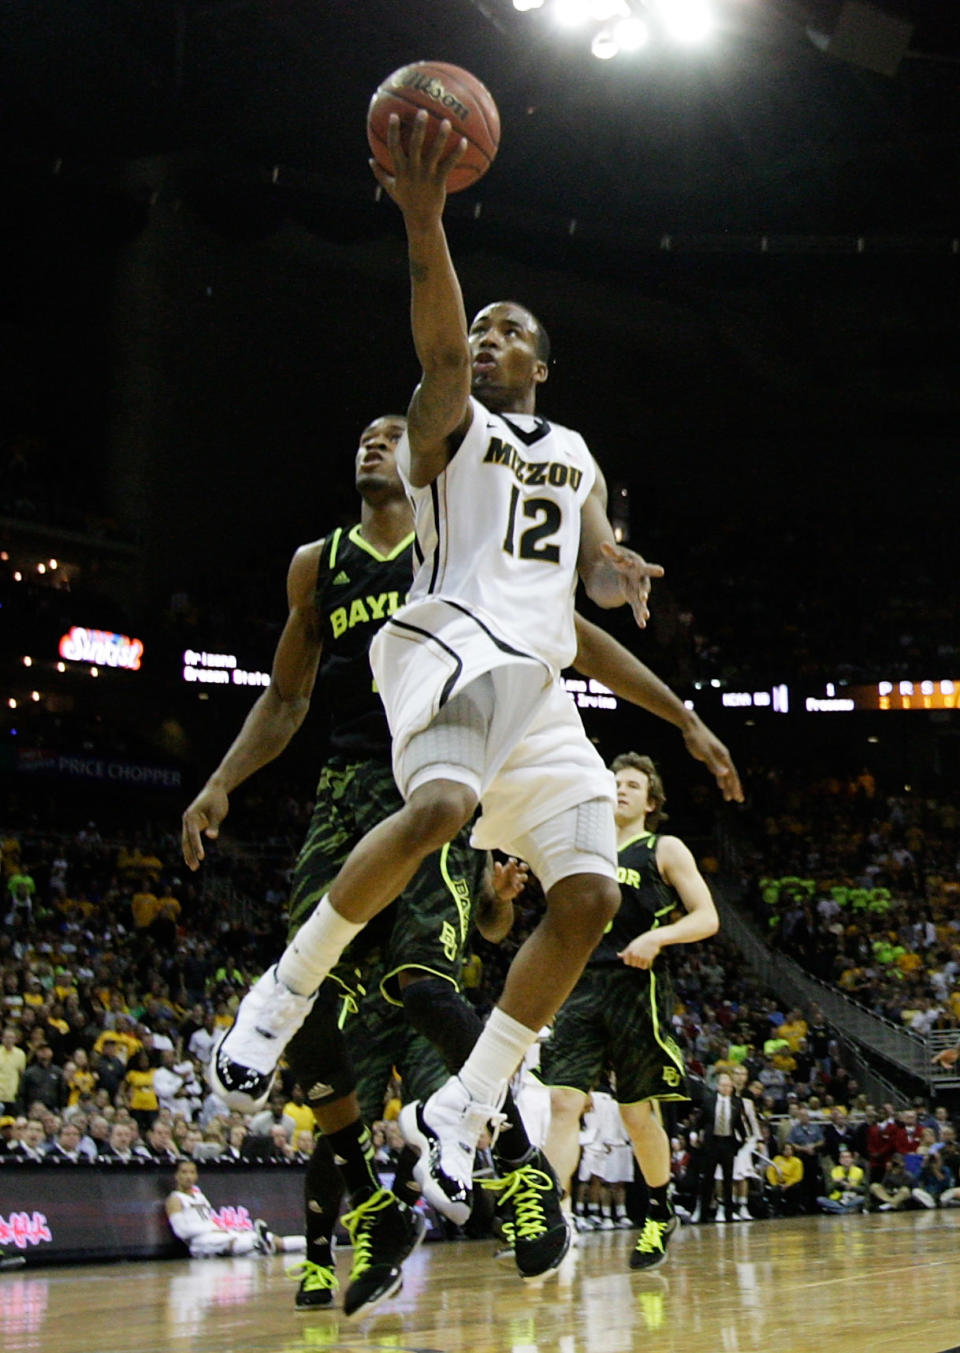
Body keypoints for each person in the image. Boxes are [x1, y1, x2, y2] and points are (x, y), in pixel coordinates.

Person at [198, 103, 743, 1288]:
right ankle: (278, 998)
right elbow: (438, 355)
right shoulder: (448, 425)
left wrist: (661, 663)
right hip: (444, 646)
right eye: (482, 326)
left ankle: (472, 1100)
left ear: (544, 364)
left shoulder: (581, 450)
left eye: (509, 330)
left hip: (539, 683)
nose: (487, 338)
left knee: (592, 895)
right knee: (440, 812)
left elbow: (588, 580)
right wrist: (426, 220)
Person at [541, 753, 718, 1270]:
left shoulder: (663, 847)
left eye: (632, 784)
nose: (620, 789)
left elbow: (706, 917)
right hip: (579, 985)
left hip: (637, 988)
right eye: (614, 782)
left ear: (651, 801)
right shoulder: (583, 848)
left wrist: (658, 936)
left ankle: (659, 1211)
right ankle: (553, 1216)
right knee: (561, 1103)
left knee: (636, 1115)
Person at [165, 1160, 305, 1259]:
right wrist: (211, 1229)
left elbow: (209, 1220)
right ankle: (259, 1246)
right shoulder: (175, 1199)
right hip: (200, 1242)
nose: (188, 1176)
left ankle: (311, 1243)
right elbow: (181, 1231)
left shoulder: (199, 1196)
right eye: (184, 1172)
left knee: (272, 1239)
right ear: (176, 1176)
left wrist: (225, 1228)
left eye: (192, 1172)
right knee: (243, 1242)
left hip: (218, 1233)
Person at [696, 1072, 748, 1223]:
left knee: (728, 1179)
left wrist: (742, 1141)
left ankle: (729, 1213)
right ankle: (703, 1214)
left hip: (728, 1143)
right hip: (712, 1143)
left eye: (728, 1086)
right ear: (718, 1086)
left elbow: (739, 1123)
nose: (726, 1088)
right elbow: (700, 1121)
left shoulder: (736, 1102)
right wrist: (695, 1134)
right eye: (723, 1085)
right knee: (708, 1179)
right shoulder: (708, 1101)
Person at [816, 1146, 867, 1214]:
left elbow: (864, 1189)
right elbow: (828, 1190)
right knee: (820, 1199)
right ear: (840, 1160)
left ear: (852, 1159)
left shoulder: (859, 1171)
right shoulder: (834, 1171)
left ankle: (837, 1210)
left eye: (848, 1157)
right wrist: (835, 1183)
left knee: (861, 1198)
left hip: (850, 1199)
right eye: (843, 1157)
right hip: (836, 1199)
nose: (845, 1159)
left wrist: (851, 1187)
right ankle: (844, 1211)